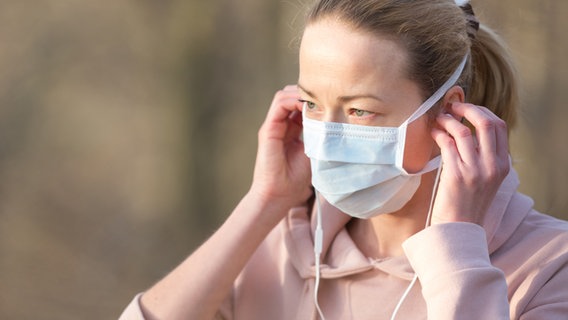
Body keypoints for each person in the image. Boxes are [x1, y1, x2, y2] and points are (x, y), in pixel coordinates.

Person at [120, 0, 568, 319]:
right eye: (312, 104)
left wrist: (457, 248)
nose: (328, 136)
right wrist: (264, 202)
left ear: (449, 112)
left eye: (359, 111)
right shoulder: (280, 248)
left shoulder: (550, 266)